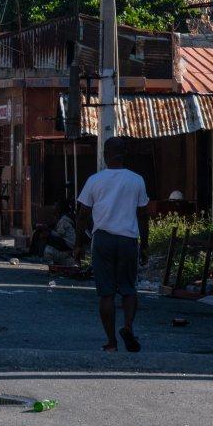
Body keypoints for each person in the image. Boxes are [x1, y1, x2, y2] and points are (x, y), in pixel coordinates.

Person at [73, 136, 151, 353]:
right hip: (128, 240)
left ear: (105, 155)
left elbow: (82, 216)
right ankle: (127, 327)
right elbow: (143, 215)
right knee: (128, 289)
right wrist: (144, 244)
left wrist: (78, 245)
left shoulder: (94, 180)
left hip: (103, 240)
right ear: (123, 154)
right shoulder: (137, 180)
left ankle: (111, 342)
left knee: (106, 293)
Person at [43, 199, 78, 266]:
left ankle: (50, 258)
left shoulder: (64, 220)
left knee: (48, 238)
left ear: (60, 208)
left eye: (56, 207)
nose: (54, 208)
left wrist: (49, 231)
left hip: (68, 244)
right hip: (69, 244)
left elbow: (59, 234)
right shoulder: (65, 218)